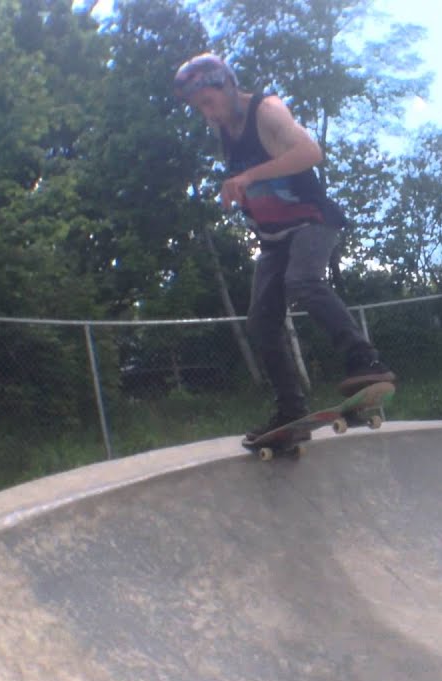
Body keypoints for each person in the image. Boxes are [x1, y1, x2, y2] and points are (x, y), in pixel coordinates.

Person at [173, 53, 395, 442]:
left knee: (303, 283)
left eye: (208, 102)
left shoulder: (266, 109)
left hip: (311, 221)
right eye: (198, 108)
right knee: (261, 322)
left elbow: (310, 153)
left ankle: (364, 358)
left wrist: (248, 176)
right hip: (274, 237)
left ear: (226, 85)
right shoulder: (223, 130)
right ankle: (290, 408)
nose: (206, 113)